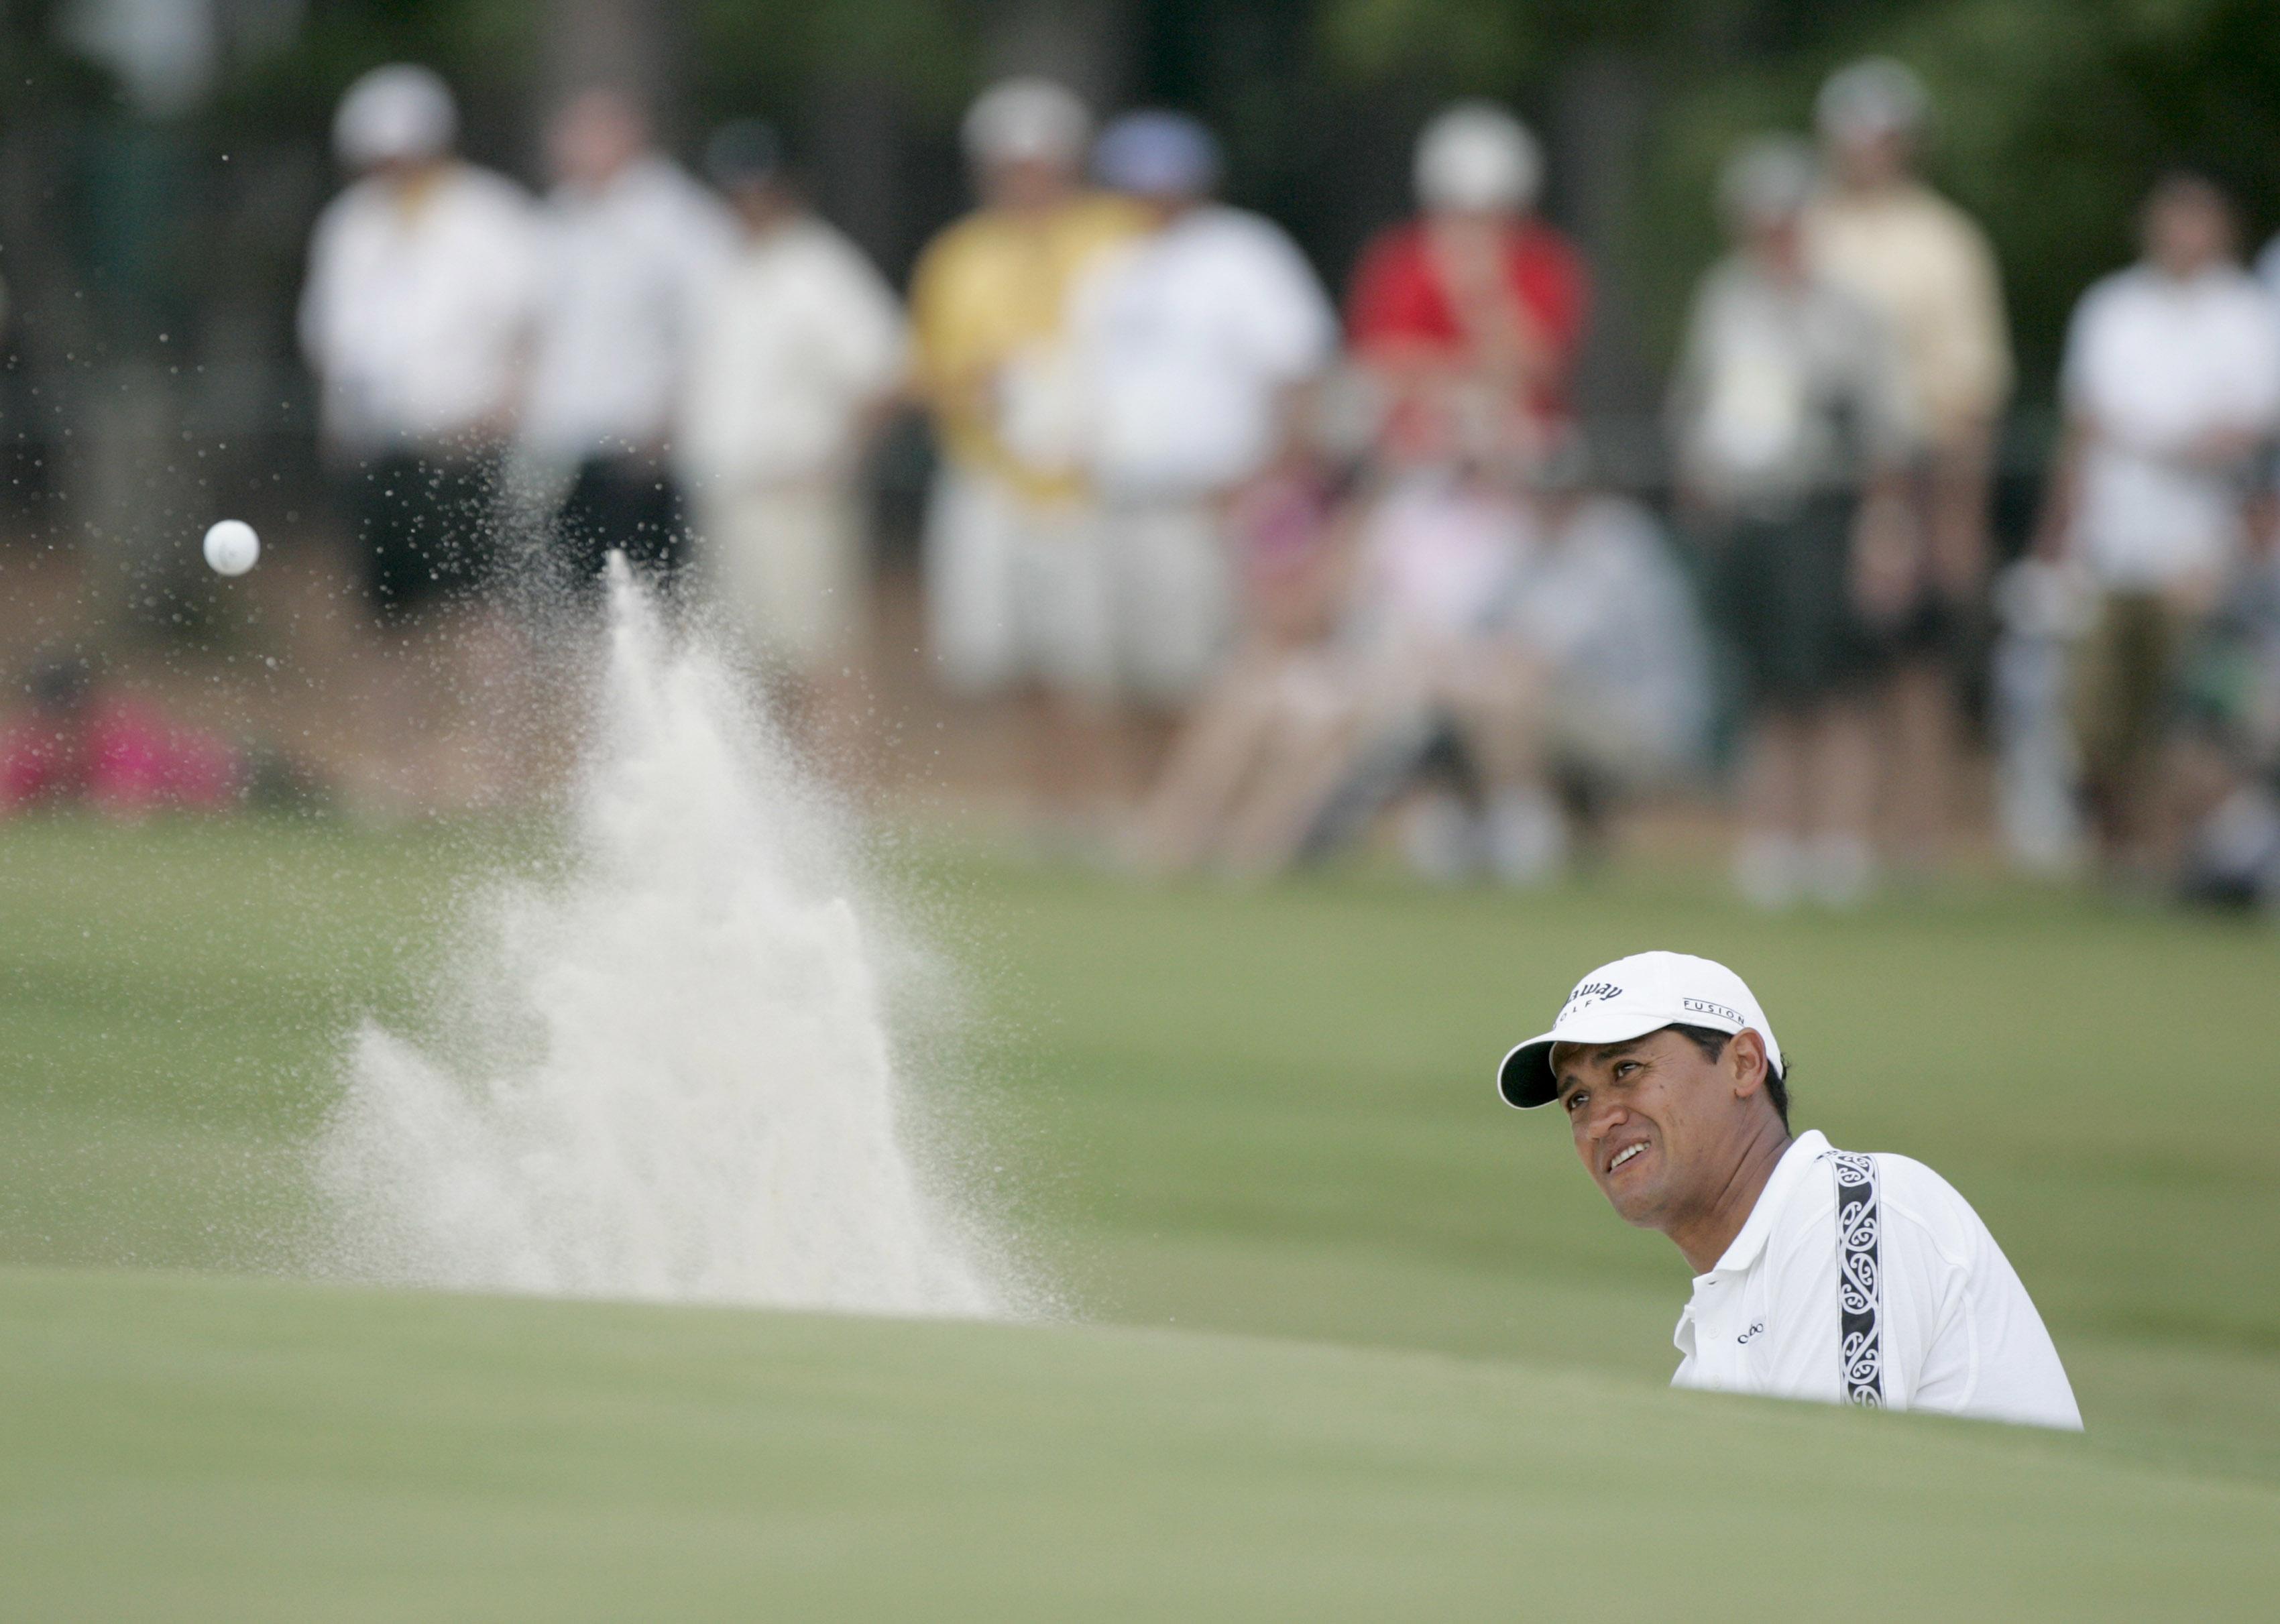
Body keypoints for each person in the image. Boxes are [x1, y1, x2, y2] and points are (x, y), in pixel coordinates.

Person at [1495, 950, 2082, 1430]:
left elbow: (1830, 1494)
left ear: (1744, 1064)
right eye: (1578, 1099)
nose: (1599, 1121)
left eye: (1626, 1070)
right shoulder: (1710, 1339)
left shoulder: (1848, 1210)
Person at [1668, 137, 1912, 909]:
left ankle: (1839, 843)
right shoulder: (1725, 299)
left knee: (1835, 688)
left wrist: (1883, 530)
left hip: (1824, 510)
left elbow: (1882, 431)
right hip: (1748, 515)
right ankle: (1772, 839)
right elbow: (1698, 404)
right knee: (1765, 688)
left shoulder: (1847, 309)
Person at [298, 64, 541, 810]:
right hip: (378, 446)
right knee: (386, 619)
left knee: (481, 614)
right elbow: (329, 339)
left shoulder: (490, 216)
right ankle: (395, 771)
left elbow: (529, 328)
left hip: (463, 445)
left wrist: (503, 414)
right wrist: (337, 424)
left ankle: (494, 772)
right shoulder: (349, 226)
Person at [907, 78, 1145, 814]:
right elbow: (929, 368)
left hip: (1096, 478)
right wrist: (973, 388)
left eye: (1040, 164)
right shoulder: (959, 255)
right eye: (1013, 166)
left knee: (1100, 658)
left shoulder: (1121, 236)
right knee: (1004, 657)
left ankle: (1120, 799)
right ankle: (1049, 803)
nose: (1027, 180)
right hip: (992, 474)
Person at [2035, 172, 2280, 879]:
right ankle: (2116, 853)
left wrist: (2158, 439)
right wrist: (2056, 537)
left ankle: (2174, 860)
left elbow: (2246, 435)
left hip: (2200, 551)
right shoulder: (2111, 308)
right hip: (2111, 545)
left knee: (2183, 717)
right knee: (2092, 718)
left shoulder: (2247, 314)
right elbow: (2083, 430)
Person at [1807, 58, 2014, 874]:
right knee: (1835, 668)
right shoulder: (1810, 227)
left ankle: (1919, 836)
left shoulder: (1944, 241)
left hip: (1917, 471)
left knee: (1918, 668)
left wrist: (1960, 515)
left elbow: (1970, 391)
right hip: (1821, 478)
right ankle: (1841, 832)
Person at [1073, 110, 1338, 710]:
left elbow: (1300, 373)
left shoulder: (1243, 252)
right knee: (1122, 680)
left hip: (1215, 506)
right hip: (1121, 499)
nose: (1152, 198)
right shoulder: (1111, 263)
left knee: (1208, 679)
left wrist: (1271, 481)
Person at [679, 121, 907, 756]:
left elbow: (885, 375)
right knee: (753, 660)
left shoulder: (820, 268)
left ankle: (838, 789)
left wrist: (836, 462)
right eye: (736, 191)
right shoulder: (724, 267)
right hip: (728, 489)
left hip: (793, 492)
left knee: (818, 654)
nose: (747, 203)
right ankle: (782, 791)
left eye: (759, 188)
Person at [520, 85, 735, 593]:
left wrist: (671, 419)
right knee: (576, 598)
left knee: (647, 597)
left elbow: (712, 326)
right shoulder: (559, 218)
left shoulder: (678, 216)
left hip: (644, 446)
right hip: (565, 445)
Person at [1347, 101, 1589, 470]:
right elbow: (1382, 366)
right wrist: (1469, 381)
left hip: (1524, 454)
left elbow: (1538, 368)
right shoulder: (1400, 259)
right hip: (1416, 452)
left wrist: (1480, 289)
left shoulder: (1545, 261)